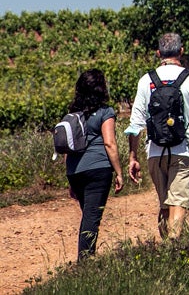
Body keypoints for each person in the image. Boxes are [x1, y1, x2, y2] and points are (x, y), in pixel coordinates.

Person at [125, 32, 189, 239]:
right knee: (178, 203)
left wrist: (133, 157)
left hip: (155, 152)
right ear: (181, 52)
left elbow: (136, 123)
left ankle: (166, 252)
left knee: (165, 204)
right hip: (184, 150)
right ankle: (173, 250)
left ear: (158, 53)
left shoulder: (146, 80)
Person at [65, 68, 124, 259]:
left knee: (88, 214)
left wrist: (70, 179)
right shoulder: (106, 112)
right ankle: (85, 261)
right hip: (98, 169)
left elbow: (68, 148)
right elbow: (109, 143)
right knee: (92, 216)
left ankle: (87, 256)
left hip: (75, 170)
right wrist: (119, 172)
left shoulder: (73, 113)